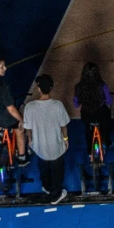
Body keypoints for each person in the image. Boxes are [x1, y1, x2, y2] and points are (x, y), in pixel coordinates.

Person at [23, 74, 70, 204]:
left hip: (39, 146)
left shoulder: (30, 107)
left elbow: (28, 128)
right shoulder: (58, 105)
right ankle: (56, 194)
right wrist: (65, 139)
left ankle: (46, 186)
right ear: (51, 88)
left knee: (43, 166)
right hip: (56, 145)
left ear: (38, 88)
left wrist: (31, 140)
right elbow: (63, 126)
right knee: (57, 169)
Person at [72, 62, 113, 148]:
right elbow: (109, 101)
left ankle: (89, 151)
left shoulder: (79, 87)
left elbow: (76, 104)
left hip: (86, 115)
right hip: (101, 114)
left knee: (88, 129)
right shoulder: (102, 85)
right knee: (106, 126)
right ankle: (106, 142)